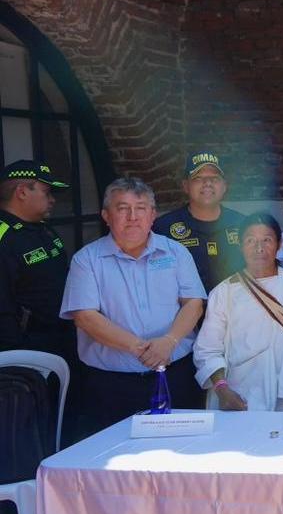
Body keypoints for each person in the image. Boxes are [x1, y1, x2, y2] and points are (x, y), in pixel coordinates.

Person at [60, 178, 206, 435]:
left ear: (152, 215)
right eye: (122, 208)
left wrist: (169, 341)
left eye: (140, 208)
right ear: (106, 215)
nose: (132, 217)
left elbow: (193, 303)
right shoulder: (86, 260)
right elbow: (85, 317)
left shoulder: (176, 252)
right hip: (111, 386)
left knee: (181, 456)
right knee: (114, 461)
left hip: (176, 377)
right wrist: (142, 349)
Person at [194, 213, 283, 411]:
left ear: (279, 244)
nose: (259, 248)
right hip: (241, 394)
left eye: (267, 240)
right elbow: (207, 349)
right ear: (240, 246)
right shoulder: (224, 292)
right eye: (250, 241)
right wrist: (222, 389)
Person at [0, 161, 74, 360]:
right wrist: (17, 355)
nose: (52, 200)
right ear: (22, 192)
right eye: (46, 192)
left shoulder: (43, 229)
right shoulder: (4, 237)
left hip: (64, 337)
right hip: (28, 349)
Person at [152, 152, 245, 292]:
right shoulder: (163, 228)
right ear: (185, 186)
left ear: (224, 186)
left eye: (214, 178)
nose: (207, 184)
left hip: (237, 309)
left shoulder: (243, 224)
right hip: (185, 311)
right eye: (198, 178)